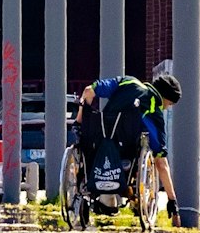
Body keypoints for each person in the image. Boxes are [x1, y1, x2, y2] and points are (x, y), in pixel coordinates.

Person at [76, 72, 182, 222]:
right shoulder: (154, 111)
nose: (166, 108)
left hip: (99, 143)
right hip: (126, 153)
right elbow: (161, 161)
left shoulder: (128, 82)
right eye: (169, 104)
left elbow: (88, 90)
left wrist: (80, 121)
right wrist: (172, 201)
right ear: (165, 98)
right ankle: (129, 198)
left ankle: (96, 197)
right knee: (138, 154)